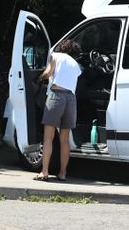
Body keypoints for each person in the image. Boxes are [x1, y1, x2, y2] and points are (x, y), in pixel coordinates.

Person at [33, 39, 83, 182]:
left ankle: (44, 172)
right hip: (71, 99)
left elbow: (48, 73)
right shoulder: (76, 65)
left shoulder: (56, 56)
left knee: (48, 137)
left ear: (62, 48)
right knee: (64, 139)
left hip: (56, 96)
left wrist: (40, 78)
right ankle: (62, 173)